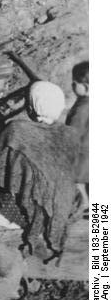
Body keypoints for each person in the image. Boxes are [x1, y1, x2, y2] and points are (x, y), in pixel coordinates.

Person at [0, 81, 78, 260]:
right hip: (64, 207)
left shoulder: (16, 130)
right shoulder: (70, 134)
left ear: (31, 106)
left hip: (27, 212)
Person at [65, 61, 89, 212]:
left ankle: (84, 202)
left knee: (77, 182)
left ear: (86, 86)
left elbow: (73, 132)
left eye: (76, 82)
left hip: (81, 154)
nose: (72, 85)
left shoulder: (82, 108)